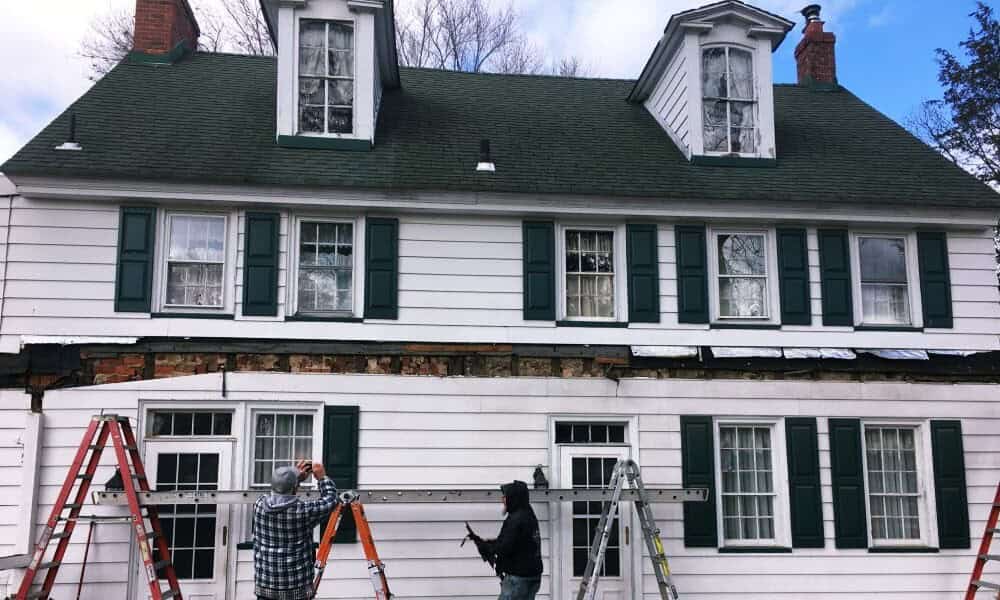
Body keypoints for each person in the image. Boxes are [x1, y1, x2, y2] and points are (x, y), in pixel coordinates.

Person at [253, 460, 338, 600]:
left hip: (265, 587)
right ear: (294, 488)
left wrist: (295, 478)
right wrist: (322, 478)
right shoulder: (303, 512)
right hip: (296, 590)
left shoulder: (259, 505)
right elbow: (331, 499)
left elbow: (280, 491)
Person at [465, 480, 544, 600]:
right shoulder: (528, 514)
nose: (502, 500)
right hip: (533, 576)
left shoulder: (515, 519)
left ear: (514, 498)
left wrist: (485, 546)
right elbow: (516, 542)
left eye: (505, 497)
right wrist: (490, 543)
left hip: (518, 579)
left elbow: (504, 547)